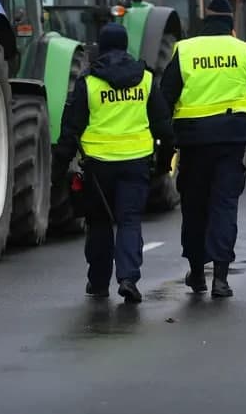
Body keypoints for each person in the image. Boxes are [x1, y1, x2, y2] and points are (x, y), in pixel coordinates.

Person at [52, 23, 175, 304]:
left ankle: (97, 283)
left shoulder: (89, 82)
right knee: (129, 221)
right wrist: (165, 161)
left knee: (99, 223)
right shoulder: (145, 79)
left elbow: (71, 129)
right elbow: (164, 127)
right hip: (136, 165)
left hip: (97, 168)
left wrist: (58, 169)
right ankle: (128, 278)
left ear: (102, 47)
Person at [161, 0, 246, 298]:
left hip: (194, 141)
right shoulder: (244, 50)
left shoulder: (186, 50)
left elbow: (166, 94)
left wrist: (164, 143)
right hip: (232, 139)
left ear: (205, 21)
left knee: (194, 207)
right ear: (230, 24)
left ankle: (196, 274)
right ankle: (221, 278)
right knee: (224, 206)